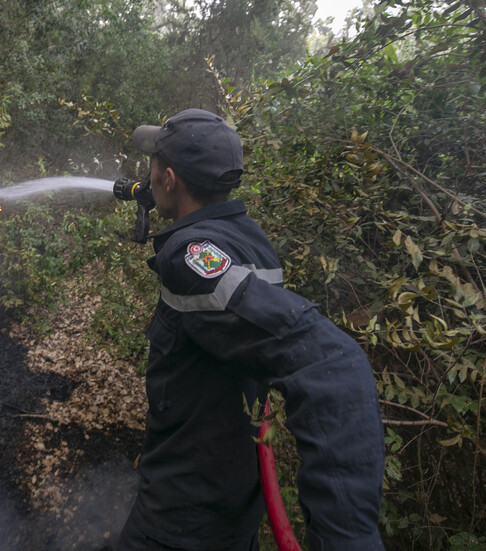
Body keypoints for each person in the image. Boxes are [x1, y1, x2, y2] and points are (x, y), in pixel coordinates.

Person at [116, 109, 385, 551]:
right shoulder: (248, 238)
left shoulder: (190, 255)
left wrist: (348, 540)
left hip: (179, 521)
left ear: (169, 179)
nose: (148, 177)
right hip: (234, 506)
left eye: (153, 168)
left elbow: (335, 365)